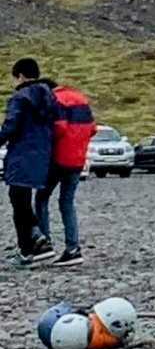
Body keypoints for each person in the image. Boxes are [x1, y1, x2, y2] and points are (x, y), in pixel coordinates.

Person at [3, 58, 57, 264]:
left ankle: (29, 247)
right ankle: (34, 241)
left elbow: (11, 126)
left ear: (21, 76)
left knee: (18, 202)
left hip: (21, 155)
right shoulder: (49, 96)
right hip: (42, 155)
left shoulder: (20, 97)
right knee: (23, 200)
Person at [46, 77, 95, 266]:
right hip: (77, 159)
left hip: (59, 158)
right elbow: (92, 129)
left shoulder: (55, 100)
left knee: (42, 198)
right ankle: (73, 248)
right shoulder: (80, 98)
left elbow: (59, 127)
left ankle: (44, 243)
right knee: (67, 201)